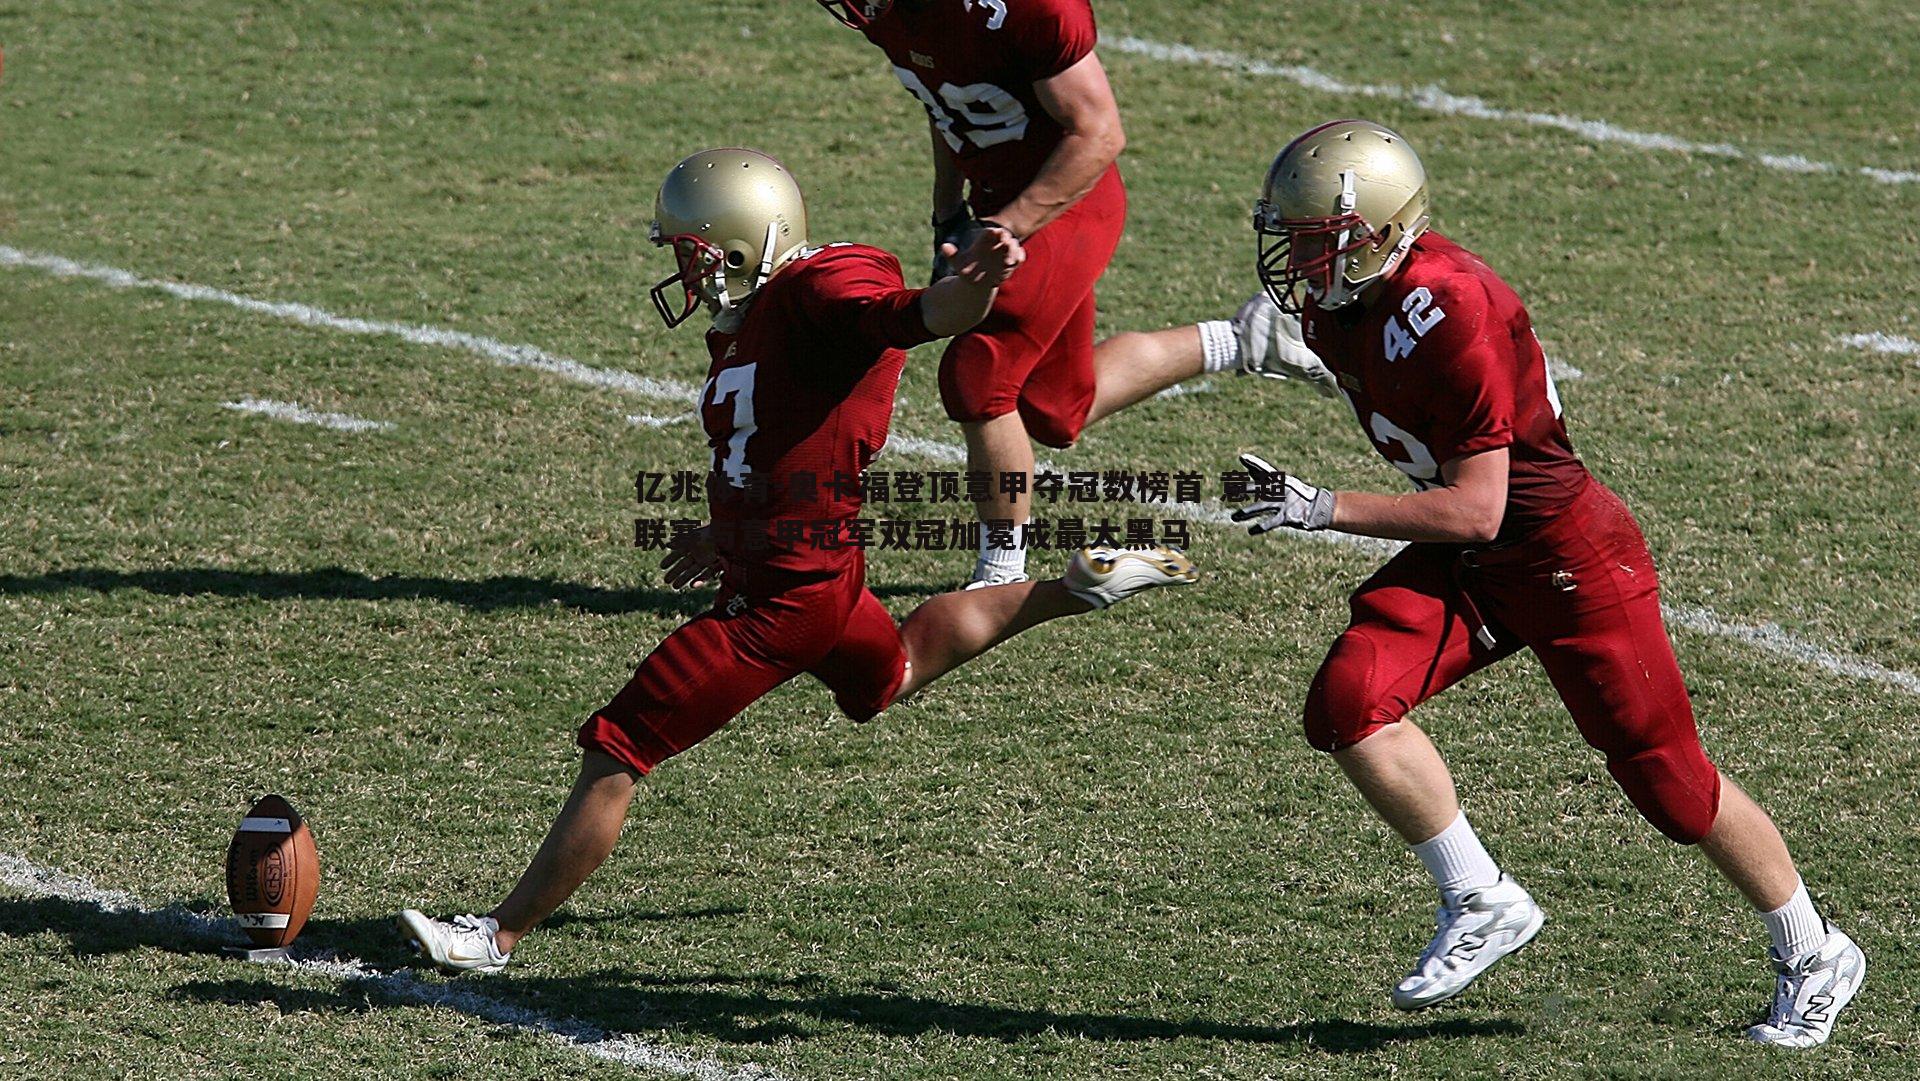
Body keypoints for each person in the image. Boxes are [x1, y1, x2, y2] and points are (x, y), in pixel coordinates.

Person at [398, 148, 1197, 972]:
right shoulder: (762, 316)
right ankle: (1078, 587)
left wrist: (974, 286)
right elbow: (780, 440)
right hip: (820, 571)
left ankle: (494, 935)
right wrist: (727, 528)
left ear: (747, 243)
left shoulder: (821, 290)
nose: (684, 267)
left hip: (777, 605)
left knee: (621, 744)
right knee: (891, 674)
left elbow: (916, 314)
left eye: (694, 250)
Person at [1231, 120, 1863, 1048]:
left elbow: (1478, 508)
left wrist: (1323, 507)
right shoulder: (1340, 300)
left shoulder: (1454, 308)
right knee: (1350, 698)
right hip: (1483, 561)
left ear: (1379, 232)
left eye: (1317, 238)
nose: (1298, 258)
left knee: (1669, 783)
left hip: (1561, 552)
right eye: (1291, 235)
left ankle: (1814, 949)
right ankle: (1480, 896)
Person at [817, 0, 1328, 588]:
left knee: (977, 376)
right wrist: (948, 210)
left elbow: (1100, 132)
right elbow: (948, 106)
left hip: (1068, 204)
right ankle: (1248, 339)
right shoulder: (893, 14)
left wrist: (1008, 224)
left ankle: (1001, 571)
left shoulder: (1025, 9)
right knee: (1058, 409)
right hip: (997, 204)